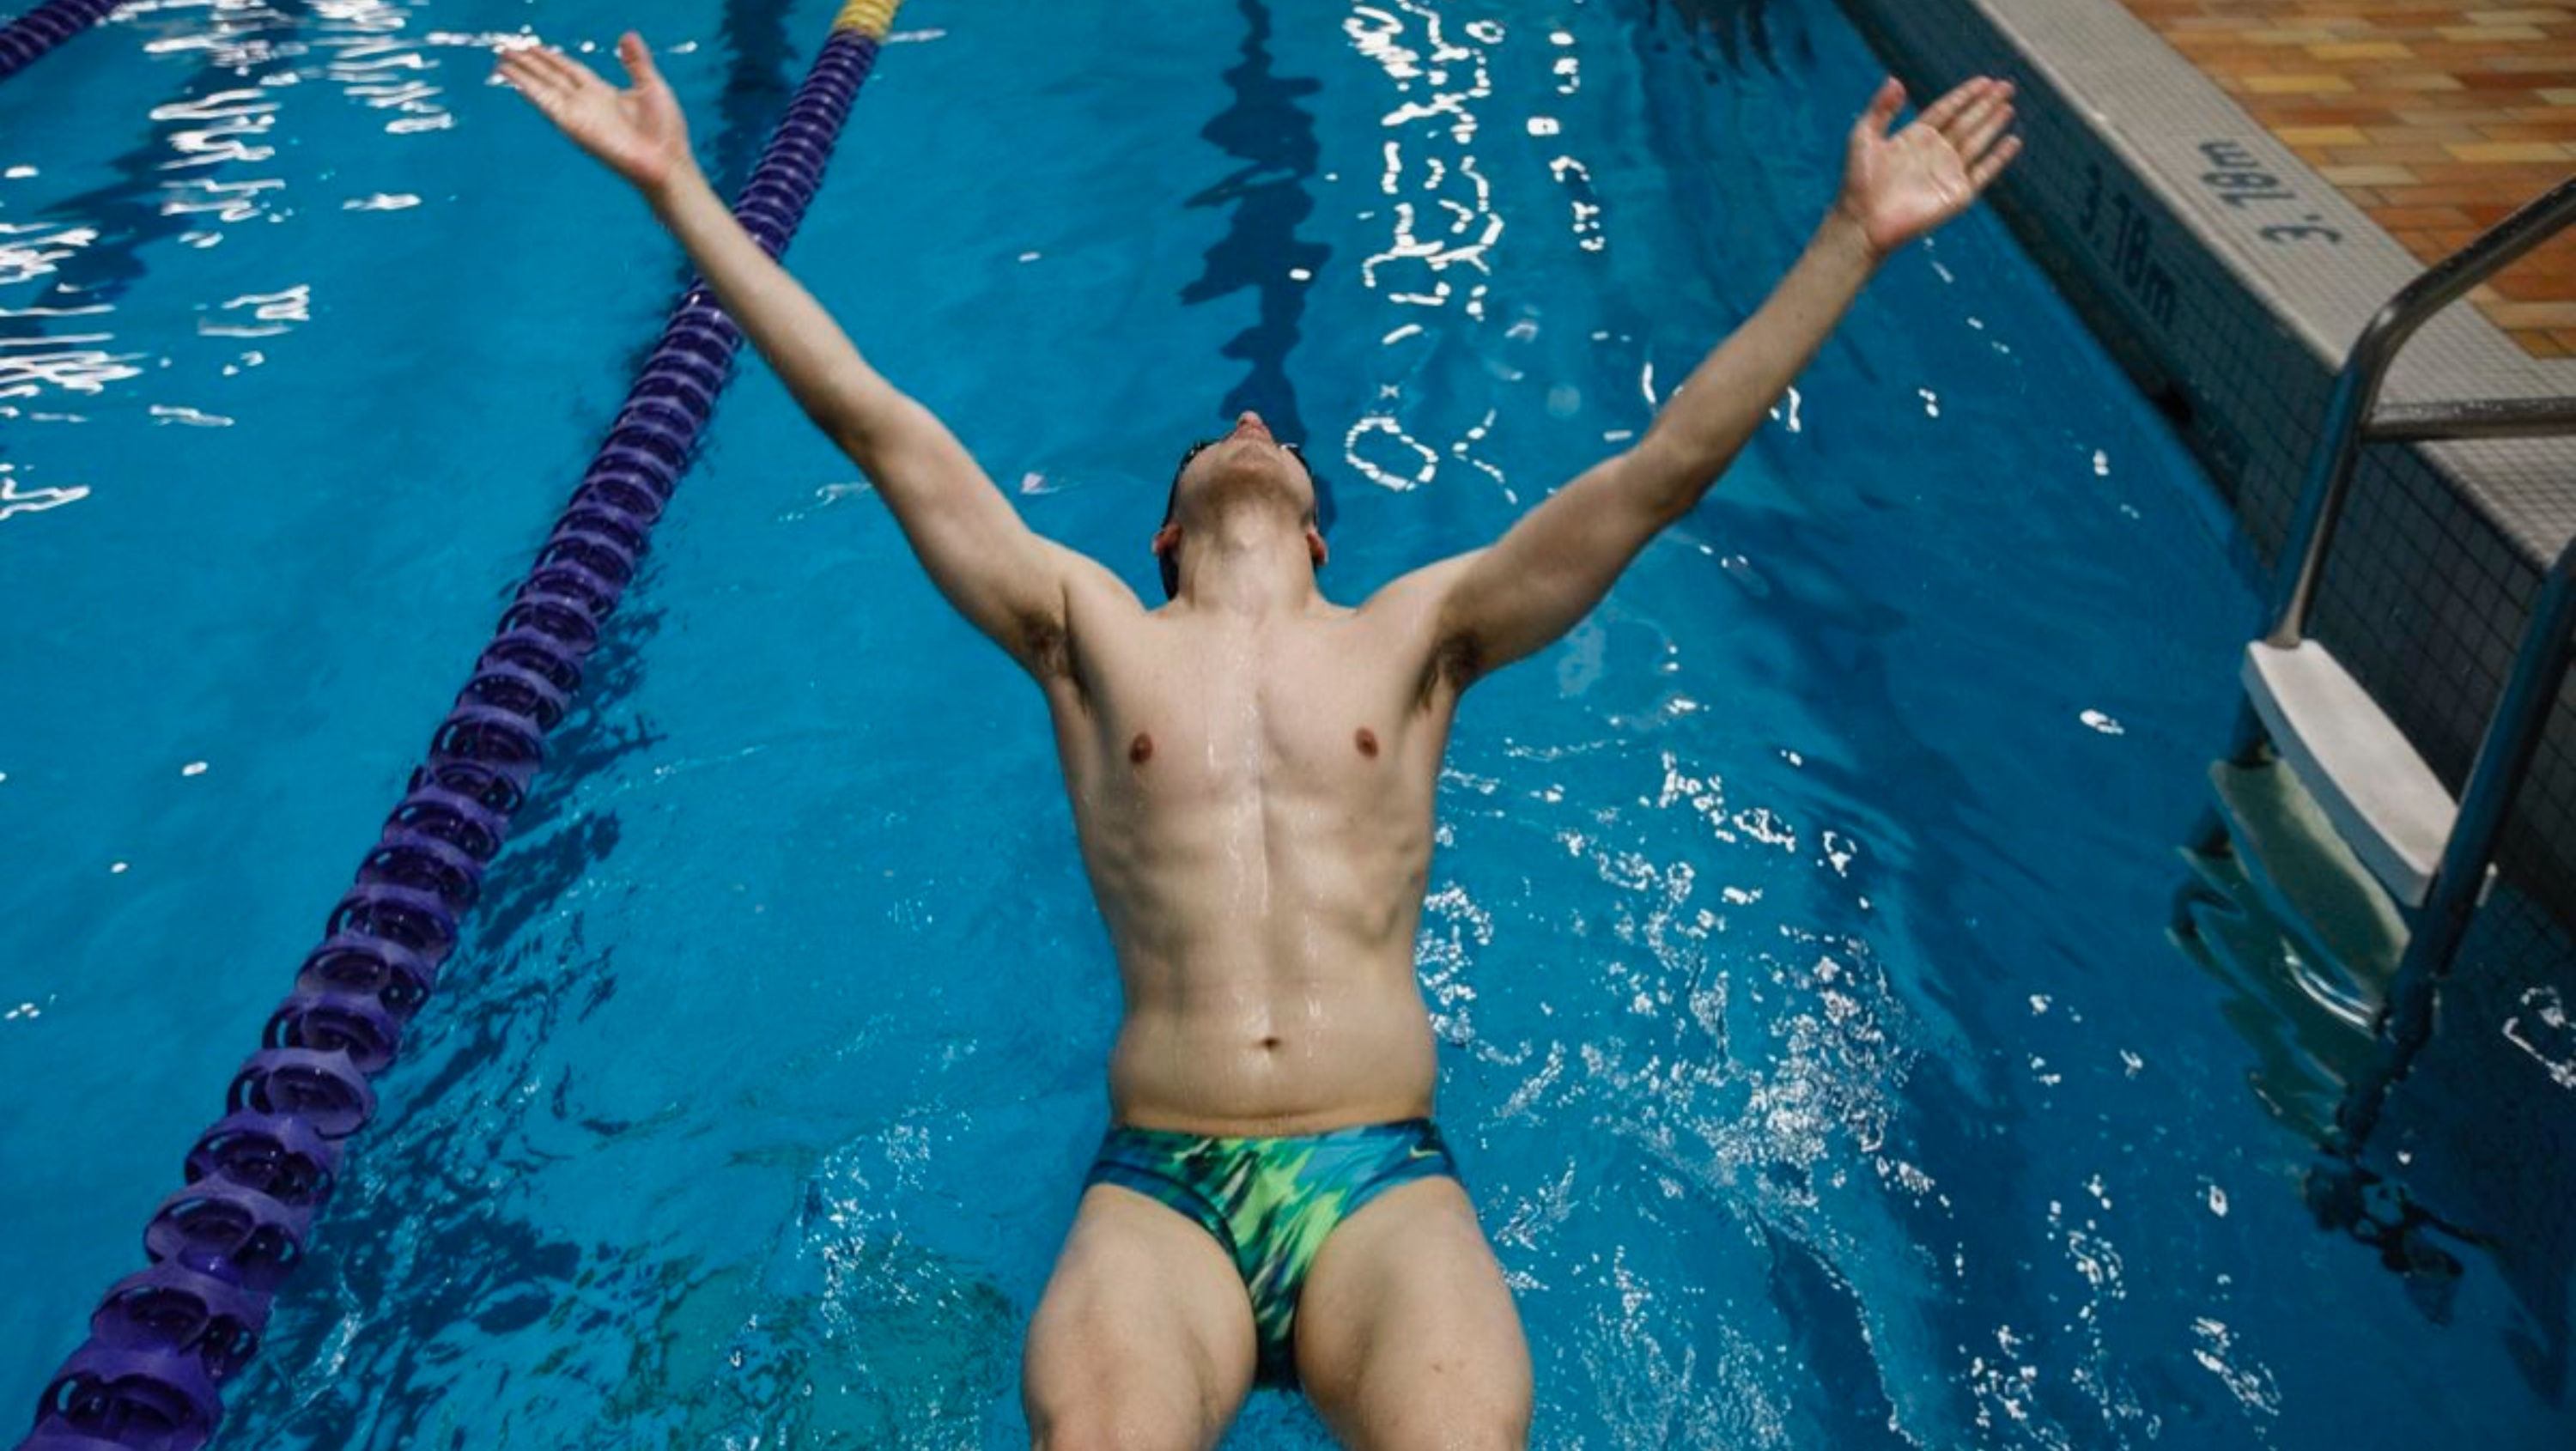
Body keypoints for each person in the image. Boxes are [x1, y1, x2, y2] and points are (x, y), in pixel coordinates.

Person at [498, 32, 2017, 1451]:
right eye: (1226, 430)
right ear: (1166, 531)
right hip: (1164, 1187)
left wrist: (1851, 240)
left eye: (1272, 430)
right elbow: (874, 420)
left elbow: (1663, 468)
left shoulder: (1423, 633)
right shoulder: (1086, 633)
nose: (1247, 410)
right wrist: (685, 191)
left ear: (1311, 515)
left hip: (1383, 1178)